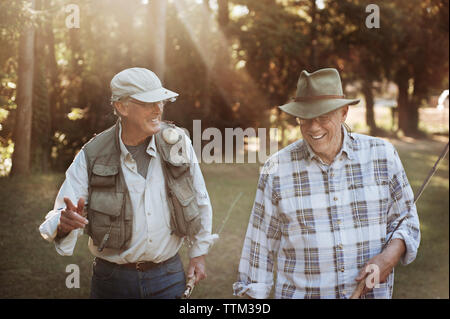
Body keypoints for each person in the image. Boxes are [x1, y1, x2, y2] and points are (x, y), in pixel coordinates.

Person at [233, 68, 420, 299]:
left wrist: (388, 258)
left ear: (343, 112)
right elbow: (258, 250)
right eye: (305, 118)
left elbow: (407, 221)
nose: (313, 127)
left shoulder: (383, 155)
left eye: (323, 117)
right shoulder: (276, 169)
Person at [39, 67, 214, 299]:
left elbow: (200, 198)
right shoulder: (92, 154)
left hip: (169, 275)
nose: (157, 109)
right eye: (148, 102)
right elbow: (60, 213)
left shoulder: (178, 142)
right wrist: (63, 223)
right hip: (111, 282)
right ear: (121, 107)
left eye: (160, 101)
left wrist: (198, 253)